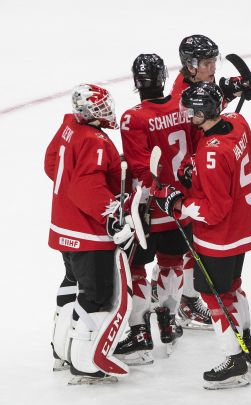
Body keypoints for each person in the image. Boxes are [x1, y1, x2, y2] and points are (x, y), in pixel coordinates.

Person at [151, 81, 251, 389]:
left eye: (191, 110)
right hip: (245, 225)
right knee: (232, 286)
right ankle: (245, 342)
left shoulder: (211, 154)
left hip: (221, 236)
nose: (187, 115)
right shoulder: (238, 124)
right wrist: (195, 173)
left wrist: (179, 203)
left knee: (215, 295)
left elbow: (213, 211)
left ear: (203, 112)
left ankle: (235, 361)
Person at [46, 84, 137, 384]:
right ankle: (85, 363)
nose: (106, 112)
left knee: (73, 283)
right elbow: (86, 187)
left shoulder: (69, 128)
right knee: (96, 294)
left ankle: (62, 349)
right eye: (99, 109)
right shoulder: (95, 141)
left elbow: (52, 165)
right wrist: (111, 217)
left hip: (64, 225)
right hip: (87, 232)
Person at [168, 34, 251, 331]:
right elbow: (203, 108)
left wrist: (235, 87)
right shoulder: (182, 97)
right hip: (193, 173)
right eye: (207, 63)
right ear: (191, 66)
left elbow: (210, 99)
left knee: (198, 242)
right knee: (192, 243)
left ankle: (187, 295)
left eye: (213, 61)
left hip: (205, 171)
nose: (213, 68)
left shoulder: (197, 91)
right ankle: (186, 298)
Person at [115, 54, 196, 365]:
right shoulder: (183, 106)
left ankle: (139, 333)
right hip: (179, 205)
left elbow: (139, 166)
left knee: (136, 268)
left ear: (137, 82)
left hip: (147, 208)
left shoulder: (132, 118)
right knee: (172, 262)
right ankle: (168, 320)